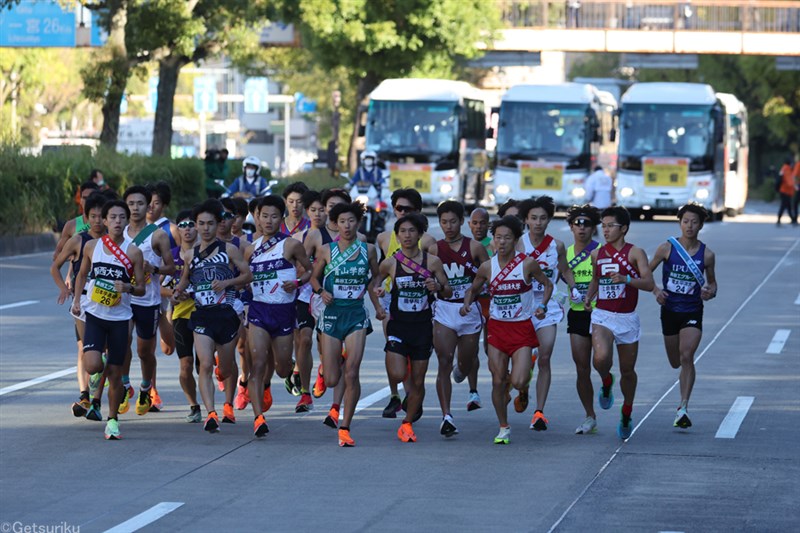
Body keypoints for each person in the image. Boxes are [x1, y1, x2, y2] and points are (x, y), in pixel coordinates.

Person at [460, 215, 553, 445]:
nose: (502, 242)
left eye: (507, 238)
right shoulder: (486, 267)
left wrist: (542, 306)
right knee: (497, 380)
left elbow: (547, 284)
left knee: (519, 380)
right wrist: (467, 303)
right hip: (497, 329)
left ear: (516, 240)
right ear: (493, 240)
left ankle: (522, 388)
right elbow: (473, 289)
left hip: (521, 329)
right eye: (498, 238)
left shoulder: (527, 263)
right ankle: (503, 426)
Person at [173, 199, 253, 433]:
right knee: (205, 364)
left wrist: (228, 282)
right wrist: (179, 292)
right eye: (201, 223)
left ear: (218, 224)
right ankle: (211, 414)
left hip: (226, 314)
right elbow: (186, 279)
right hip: (202, 315)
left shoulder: (229, 250)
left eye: (210, 223)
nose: (205, 228)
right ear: (196, 225)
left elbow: (247, 276)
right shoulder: (189, 255)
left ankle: (225, 376)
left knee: (225, 369)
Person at [71, 200, 146, 439]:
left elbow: (142, 288)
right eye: (112, 217)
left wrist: (127, 287)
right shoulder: (92, 247)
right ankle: (100, 361)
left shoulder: (133, 252)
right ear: (104, 221)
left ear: (126, 221)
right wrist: (76, 299)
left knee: (115, 373)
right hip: (94, 314)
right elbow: (82, 274)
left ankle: (113, 420)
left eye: (121, 217)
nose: (117, 221)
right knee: (93, 364)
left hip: (120, 319)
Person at [310, 202, 383, 447]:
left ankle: (345, 427)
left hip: (355, 316)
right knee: (332, 379)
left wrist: (380, 302)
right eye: (342, 221)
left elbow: (375, 278)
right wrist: (321, 291)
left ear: (358, 223)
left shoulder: (368, 250)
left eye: (351, 221)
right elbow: (313, 276)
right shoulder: (326, 250)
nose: (347, 226)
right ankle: (330, 364)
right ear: (335, 224)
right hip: (331, 315)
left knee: (352, 372)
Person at [374, 213, 451, 442]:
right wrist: (379, 301)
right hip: (399, 325)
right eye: (402, 232)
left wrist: (436, 286)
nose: (407, 236)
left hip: (422, 328)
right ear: (397, 236)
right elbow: (375, 283)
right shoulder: (390, 263)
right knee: (398, 374)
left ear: (419, 235)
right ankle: (402, 360)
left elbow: (447, 290)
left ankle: (407, 424)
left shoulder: (432, 262)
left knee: (418, 381)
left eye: (411, 231)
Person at [584, 206, 655, 439]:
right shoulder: (597, 253)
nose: (605, 230)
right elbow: (596, 279)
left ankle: (627, 411)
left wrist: (627, 279)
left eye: (610, 226)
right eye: (602, 226)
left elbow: (648, 283)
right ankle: (606, 380)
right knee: (601, 358)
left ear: (623, 228)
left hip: (627, 318)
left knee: (627, 370)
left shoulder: (636, 253)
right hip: (602, 315)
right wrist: (589, 296)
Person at [244, 195, 312, 435]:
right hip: (259, 311)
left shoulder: (291, 245)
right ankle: (258, 418)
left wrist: (296, 282)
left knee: (281, 369)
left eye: (274, 216)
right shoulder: (250, 249)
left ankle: (288, 367)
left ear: (281, 218)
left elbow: (309, 271)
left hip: (284, 312)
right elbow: (245, 278)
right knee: (258, 363)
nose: (269, 221)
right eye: (264, 216)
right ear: (258, 218)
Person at [649, 203, 717, 428]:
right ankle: (683, 404)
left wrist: (709, 291)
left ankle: (683, 407)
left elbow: (713, 284)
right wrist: (656, 290)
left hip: (692, 311)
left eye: (694, 222)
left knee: (687, 355)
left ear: (701, 225)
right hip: (669, 311)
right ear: (680, 223)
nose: (689, 226)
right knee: (674, 361)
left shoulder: (707, 255)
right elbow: (646, 273)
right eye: (685, 221)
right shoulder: (666, 248)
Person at [375, 188, 437, 418]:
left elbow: (436, 272)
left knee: (413, 351)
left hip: (420, 301)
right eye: (398, 208)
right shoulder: (383, 237)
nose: (402, 212)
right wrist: (378, 293)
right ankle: (395, 395)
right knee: (393, 349)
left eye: (408, 209)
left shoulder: (428, 241)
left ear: (418, 212)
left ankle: (413, 393)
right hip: (392, 299)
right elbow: (379, 272)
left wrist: (435, 287)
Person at [429, 201, 489, 437]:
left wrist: (475, 291)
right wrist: (433, 286)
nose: (448, 226)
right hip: (444, 310)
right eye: (444, 222)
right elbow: (427, 276)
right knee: (444, 361)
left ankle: (462, 371)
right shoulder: (434, 249)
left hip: (469, 311)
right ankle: (447, 417)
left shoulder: (474, 247)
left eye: (453, 221)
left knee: (465, 361)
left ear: (462, 222)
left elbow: (488, 274)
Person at [516, 196, 576, 431]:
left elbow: (565, 269)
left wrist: (574, 287)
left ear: (549, 219)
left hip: (547, 305)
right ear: (526, 221)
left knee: (545, 354)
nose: (538, 223)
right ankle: (523, 387)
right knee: (522, 363)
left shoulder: (557, 245)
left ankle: (539, 412)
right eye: (533, 218)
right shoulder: (519, 243)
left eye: (543, 218)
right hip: (522, 306)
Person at [50, 192, 107, 418]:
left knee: (103, 353)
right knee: (88, 350)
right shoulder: (78, 239)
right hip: (81, 302)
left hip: (107, 302)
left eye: (102, 216)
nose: (97, 221)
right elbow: (55, 266)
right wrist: (64, 288)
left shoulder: (114, 241)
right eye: (93, 216)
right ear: (86, 216)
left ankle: (96, 401)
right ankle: (87, 396)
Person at [121, 186, 176, 416]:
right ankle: (124, 386)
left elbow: (171, 267)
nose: (135, 208)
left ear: (148, 206)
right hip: (123, 299)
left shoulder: (158, 235)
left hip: (148, 301)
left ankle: (146, 386)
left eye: (140, 204)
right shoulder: (118, 231)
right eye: (131, 203)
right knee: (122, 343)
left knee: (145, 351)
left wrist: (153, 268)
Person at [162, 210, 203, 423]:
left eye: (191, 224)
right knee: (185, 364)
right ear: (177, 229)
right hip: (180, 314)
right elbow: (159, 287)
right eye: (182, 225)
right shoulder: (172, 254)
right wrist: (174, 294)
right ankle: (194, 406)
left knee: (203, 364)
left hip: (205, 313)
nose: (187, 229)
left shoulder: (207, 252)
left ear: (198, 227)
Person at [564, 205, 602, 434]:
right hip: (577, 314)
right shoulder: (564, 254)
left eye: (587, 224)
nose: (582, 228)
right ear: (570, 227)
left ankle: (607, 381)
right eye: (577, 224)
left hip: (600, 314)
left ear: (593, 228)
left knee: (601, 362)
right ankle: (590, 415)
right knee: (581, 368)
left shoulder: (601, 252)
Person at [146, 182, 179, 357]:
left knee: (167, 348)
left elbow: (184, 258)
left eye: (156, 203)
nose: (151, 207)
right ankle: (149, 384)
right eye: (148, 202)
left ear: (164, 205)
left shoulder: (172, 230)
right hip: (142, 289)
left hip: (166, 289)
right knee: (147, 343)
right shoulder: (135, 229)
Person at [466, 207, 493, 411]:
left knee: (490, 348)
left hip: (491, 302)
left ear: (488, 224)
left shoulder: (494, 246)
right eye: (474, 223)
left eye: (482, 223)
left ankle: (501, 384)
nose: (478, 226)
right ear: (469, 225)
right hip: (473, 302)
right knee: (470, 348)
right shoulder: (466, 246)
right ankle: (473, 391)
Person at [56, 181, 100, 259]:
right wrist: (74, 254)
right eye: (84, 198)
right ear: (80, 200)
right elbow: (57, 255)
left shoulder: (106, 224)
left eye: (90, 197)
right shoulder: (71, 225)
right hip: (77, 270)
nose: (87, 201)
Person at [777, 158, 797, 226]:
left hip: (784, 190)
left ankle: (793, 219)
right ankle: (779, 220)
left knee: (788, 206)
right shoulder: (787, 169)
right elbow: (789, 181)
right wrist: (795, 186)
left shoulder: (783, 168)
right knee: (784, 205)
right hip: (786, 190)